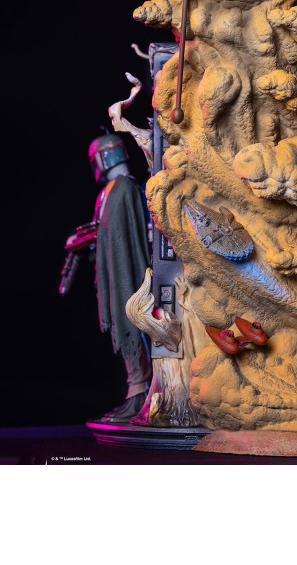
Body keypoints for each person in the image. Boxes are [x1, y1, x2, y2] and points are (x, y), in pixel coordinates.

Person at [88, 133, 152, 423]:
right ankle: (134, 391)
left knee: (133, 326)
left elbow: (130, 238)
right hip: (115, 271)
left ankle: (139, 394)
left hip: (129, 271)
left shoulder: (124, 188)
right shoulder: (109, 191)